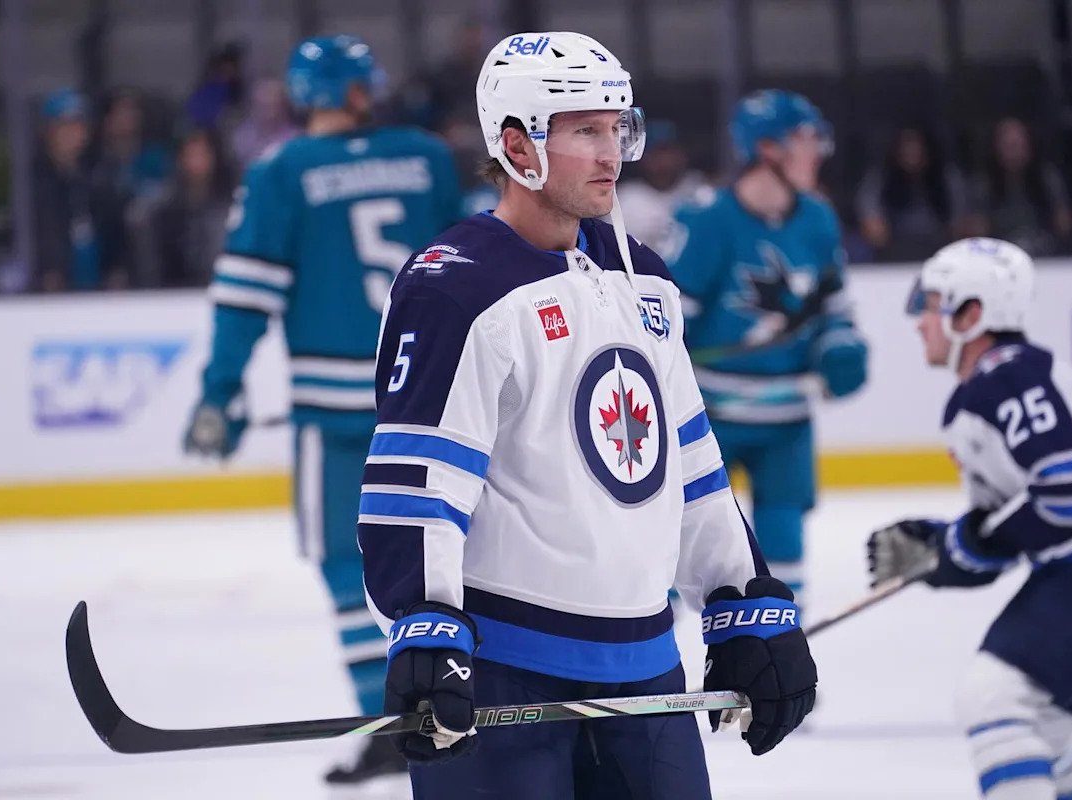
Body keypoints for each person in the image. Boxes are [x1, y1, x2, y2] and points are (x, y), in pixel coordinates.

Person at [357, 33, 817, 799]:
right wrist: (423, 624)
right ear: (517, 145)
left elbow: (688, 458)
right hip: (504, 671)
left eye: (616, 128)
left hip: (647, 669)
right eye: (584, 131)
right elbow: (419, 481)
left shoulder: (643, 276)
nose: (611, 154)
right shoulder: (454, 288)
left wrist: (741, 596)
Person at [181, 34, 463, 784]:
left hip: (336, 420)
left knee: (344, 564)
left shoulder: (281, 170)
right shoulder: (429, 156)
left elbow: (246, 294)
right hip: (436, 402)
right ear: (360, 90)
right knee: (463, 559)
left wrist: (219, 391)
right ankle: (469, 697)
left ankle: (390, 718)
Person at [868, 237, 1072, 800]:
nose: (919, 322)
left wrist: (970, 541)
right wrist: (951, 548)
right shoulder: (1003, 384)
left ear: (971, 315)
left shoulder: (1009, 380)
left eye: (931, 305)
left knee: (996, 697)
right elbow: (1030, 523)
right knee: (1047, 727)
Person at [666, 90, 868, 604]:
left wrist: (839, 346)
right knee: (675, 546)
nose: (818, 152)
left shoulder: (818, 219)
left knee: (783, 548)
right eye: (805, 140)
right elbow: (668, 320)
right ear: (768, 149)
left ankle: (781, 646)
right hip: (706, 420)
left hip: (787, 420)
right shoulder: (709, 220)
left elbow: (833, 308)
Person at [30, 88, 120, 292]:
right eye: (64, 125)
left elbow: (111, 227)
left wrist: (114, 268)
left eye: (78, 125)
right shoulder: (36, 181)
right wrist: (49, 269)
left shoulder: (97, 176)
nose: (72, 133)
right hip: (54, 284)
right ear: (49, 130)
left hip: (95, 280)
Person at [129, 127, 236, 288]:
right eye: (190, 155)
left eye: (201, 155)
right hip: (172, 289)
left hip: (213, 284)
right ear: (180, 159)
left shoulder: (227, 205)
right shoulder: (161, 209)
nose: (196, 163)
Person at [855, 125, 968, 262]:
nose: (912, 153)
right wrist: (874, 225)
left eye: (916, 147)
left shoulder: (946, 178)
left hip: (941, 251)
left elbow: (961, 219)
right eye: (906, 147)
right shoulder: (881, 179)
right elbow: (870, 218)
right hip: (893, 252)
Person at [970, 117, 1072, 257]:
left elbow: (1064, 223)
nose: (1015, 152)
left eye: (1019, 145)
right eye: (1009, 146)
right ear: (996, 148)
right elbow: (977, 229)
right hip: (999, 253)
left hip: (1045, 251)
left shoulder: (1045, 178)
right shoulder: (984, 183)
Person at [615, 118, 710, 256]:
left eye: (669, 153)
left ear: (683, 155)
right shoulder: (625, 198)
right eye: (656, 155)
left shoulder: (701, 191)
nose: (664, 162)